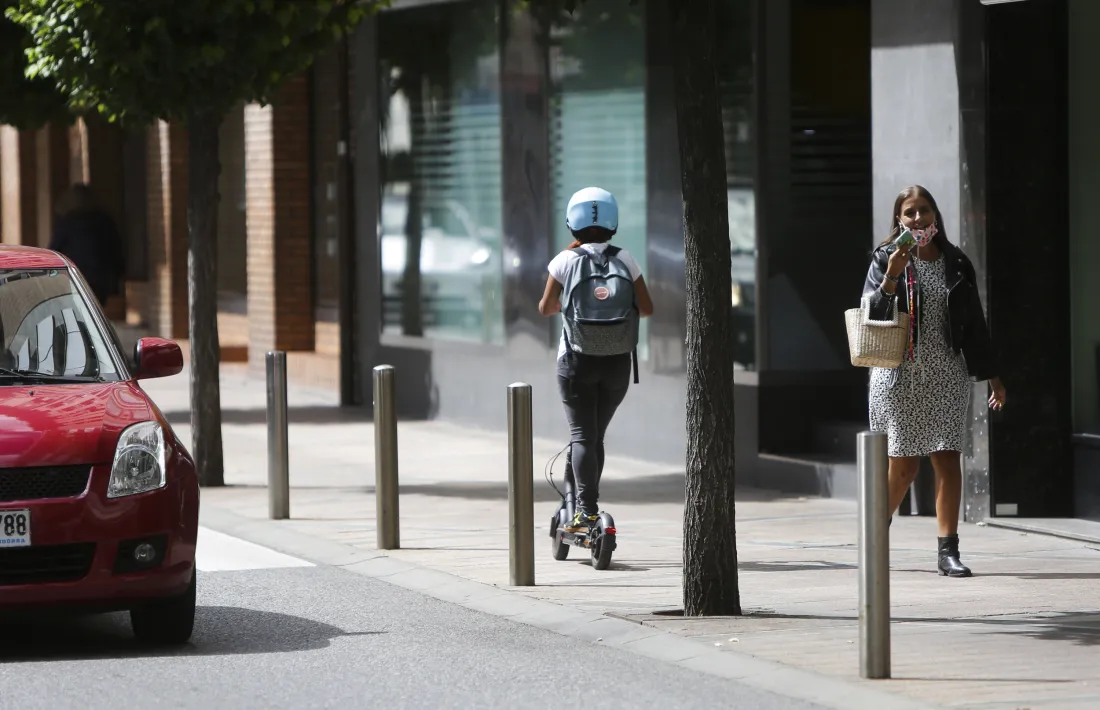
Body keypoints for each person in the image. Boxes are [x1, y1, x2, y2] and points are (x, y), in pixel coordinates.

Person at [862, 185, 1007, 577]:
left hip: (946, 373)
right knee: (904, 467)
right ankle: (874, 530)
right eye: (909, 213)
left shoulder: (955, 261)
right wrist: (892, 274)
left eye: (924, 211)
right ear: (899, 219)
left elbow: (974, 322)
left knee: (947, 458)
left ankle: (948, 552)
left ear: (935, 215)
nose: (918, 219)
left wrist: (992, 374)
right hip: (899, 375)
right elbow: (872, 314)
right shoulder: (885, 258)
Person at [538, 187, 654, 533]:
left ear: (572, 224)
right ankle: (580, 504)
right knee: (593, 437)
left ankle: (585, 512)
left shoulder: (564, 261)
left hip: (575, 362)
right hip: (618, 363)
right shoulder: (626, 259)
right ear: (613, 223)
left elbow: (545, 308)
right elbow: (646, 309)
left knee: (582, 436)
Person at [49, 183, 126, 307]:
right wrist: (119, 272)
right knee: (96, 309)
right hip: (102, 277)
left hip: (76, 275)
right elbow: (115, 248)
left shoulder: (68, 222)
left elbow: (55, 250)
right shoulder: (105, 220)